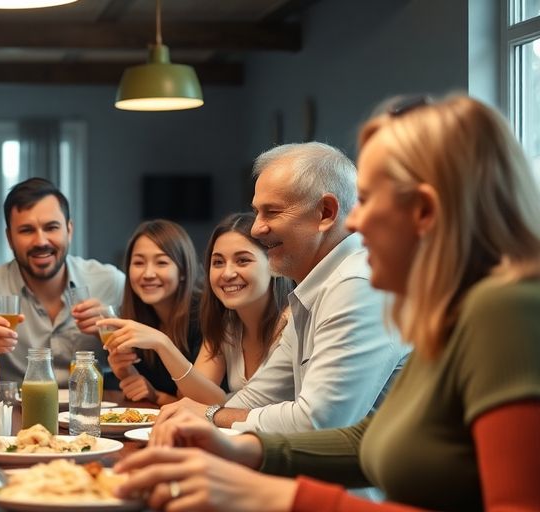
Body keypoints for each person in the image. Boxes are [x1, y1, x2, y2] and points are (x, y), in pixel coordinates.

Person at [114, 94, 540, 511]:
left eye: (369, 200)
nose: (354, 221)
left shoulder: (501, 310)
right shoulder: (447, 313)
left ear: (425, 211)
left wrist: (276, 495)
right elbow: (368, 439)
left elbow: (322, 422)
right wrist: (250, 450)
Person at [157, 142, 409, 434]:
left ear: (326, 213)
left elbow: (316, 421)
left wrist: (211, 414)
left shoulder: (358, 285)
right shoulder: (316, 288)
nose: (256, 228)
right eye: (257, 212)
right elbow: (257, 399)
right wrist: (205, 413)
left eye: (272, 212)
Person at [0, 177, 125, 385]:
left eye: (51, 227)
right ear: (10, 238)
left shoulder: (111, 282)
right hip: (16, 413)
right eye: (26, 230)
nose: (41, 241)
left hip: (95, 410)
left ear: (69, 230)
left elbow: (147, 360)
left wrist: (114, 334)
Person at [103, 214, 293, 406]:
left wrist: (162, 344)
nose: (227, 273)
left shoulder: (293, 323)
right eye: (218, 262)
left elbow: (238, 405)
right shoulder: (227, 323)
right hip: (234, 432)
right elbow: (197, 399)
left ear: (274, 263)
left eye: (242, 260)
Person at [96, 220, 204, 405]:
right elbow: (143, 392)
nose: (148, 274)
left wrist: (159, 396)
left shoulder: (204, 315)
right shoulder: (135, 317)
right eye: (138, 262)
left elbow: (201, 403)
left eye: (161, 262)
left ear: (183, 271)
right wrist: (125, 372)